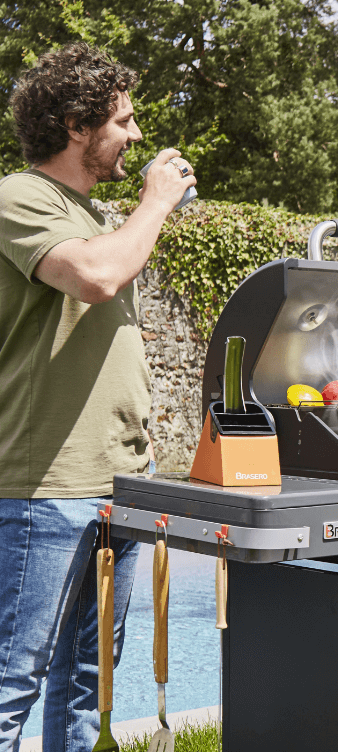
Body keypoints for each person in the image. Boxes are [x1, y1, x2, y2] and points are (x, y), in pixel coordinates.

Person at [0, 43, 196, 750]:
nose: (136, 137)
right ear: (78, 125)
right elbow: (96, 277)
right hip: (44, 486)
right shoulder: (18, 197)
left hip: (117, 482)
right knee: (11, 679)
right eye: (124, 121)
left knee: (90, 679)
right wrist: (155, 202)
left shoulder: (91, 215)